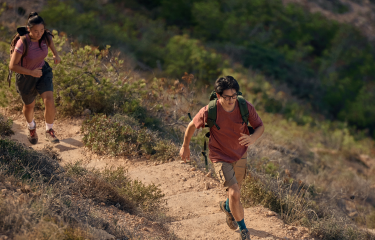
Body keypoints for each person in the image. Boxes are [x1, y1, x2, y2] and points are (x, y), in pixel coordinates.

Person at [179, 76, 264, 240]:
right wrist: (185, 146)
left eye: (234, 95)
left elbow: (260, 126)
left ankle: (226, 207)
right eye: (227, 97)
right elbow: (191, 126)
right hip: (219, 156)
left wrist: (253, 139)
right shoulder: (210, 111)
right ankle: (244, 230)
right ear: (219, 96)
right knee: (235, 193)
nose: (232, 100)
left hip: (240, 154)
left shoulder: (244, 106)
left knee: (236, 192)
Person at [9, 12, 61, 144]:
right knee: (29, 106)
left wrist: (56, 55)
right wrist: (31, 72)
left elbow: (52, 48)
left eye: (42, 30)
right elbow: (12, 66)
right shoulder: (22, 43)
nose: (39, 34)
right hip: (25, 76)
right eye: (36, 31)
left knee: (49, 101)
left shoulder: (46, 37)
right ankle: (31, 127)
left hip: (43, 71)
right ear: (29, 30)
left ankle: (49, 130)